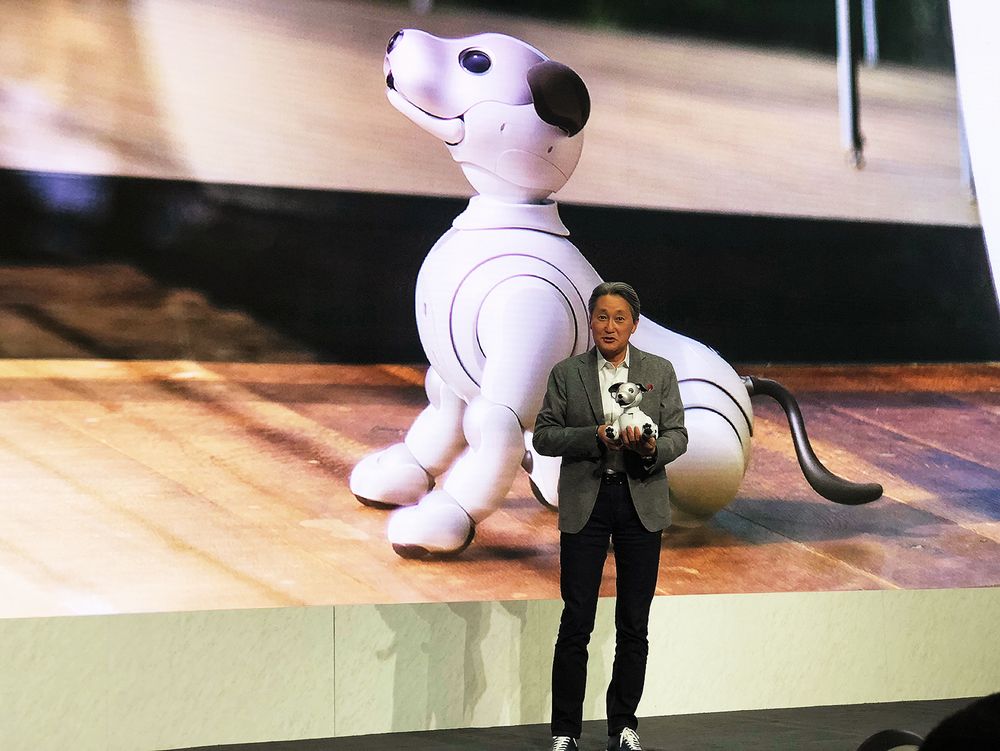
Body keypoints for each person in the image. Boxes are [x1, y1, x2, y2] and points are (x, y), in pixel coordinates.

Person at [533, 282, 688, 751]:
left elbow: (679, 435)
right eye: (602, 316)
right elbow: (544, 436)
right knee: (576, 620)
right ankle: (565, 732)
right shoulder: (567, 373)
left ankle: (624, 726)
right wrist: (595, 436)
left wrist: (651, 448)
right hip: (588, 503)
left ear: (634, 325)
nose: (610, 326)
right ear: (591, 321)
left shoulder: (659, 371)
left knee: (634, 623)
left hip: (641, 502)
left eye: (620, 318)